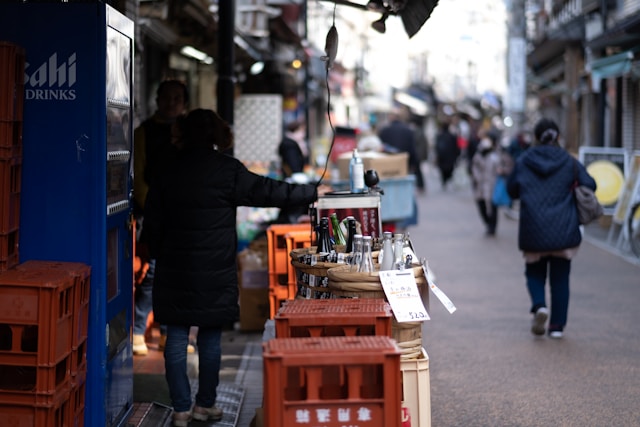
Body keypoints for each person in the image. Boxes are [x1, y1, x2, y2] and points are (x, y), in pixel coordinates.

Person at [143, 109, 323, 426]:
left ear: (182, 134)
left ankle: (181, 409)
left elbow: (153, 223)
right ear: (216, 135)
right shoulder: (227, 170)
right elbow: (269, 191)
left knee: (175, 337)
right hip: (215, 268)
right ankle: (204, 405)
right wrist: (310, 192)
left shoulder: (166, 169)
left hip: (174, 265)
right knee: (210, 338)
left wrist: (153, 253)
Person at [506, 118, 596, 339]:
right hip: (564, 229)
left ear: (536, 137)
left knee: (534, 271)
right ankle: (557, 326)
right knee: (560, 277)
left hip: (533, 228)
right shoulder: (569, 161)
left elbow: (512, 190)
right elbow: (590, 184)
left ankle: (539, 307)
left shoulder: (524, 160)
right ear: (558, 136)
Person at [132, 79, 188, 356]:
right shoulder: (144, 132)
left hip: (184, 216)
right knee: (153, 273)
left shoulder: (190, 132)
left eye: (177, 98)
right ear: (157, 99)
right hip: (156, 215)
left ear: (184, 103)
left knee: (178, 277)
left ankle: (168, 333)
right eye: (167, 97)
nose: (171, 102)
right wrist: (152, 205)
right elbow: (138, 175)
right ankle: (137, 330)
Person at [471, 134, 501, 236]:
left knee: (493, 207)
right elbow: (474, 168)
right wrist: (477, 178)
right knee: (481, 205)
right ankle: (488, 224)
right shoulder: (478, 156)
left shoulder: (494, 157)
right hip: (480, 185)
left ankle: (492, 227)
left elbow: (498, 170)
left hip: (492, 185)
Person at [434, 121, 461, 190]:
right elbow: (457, 148)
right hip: (450, 158)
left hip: (442, 158)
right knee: (449, 170)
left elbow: (436, 147)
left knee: (443, 170)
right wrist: (457, 156)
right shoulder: (452, 136)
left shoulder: (439, 136)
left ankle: (445, 181)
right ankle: (447, 181)